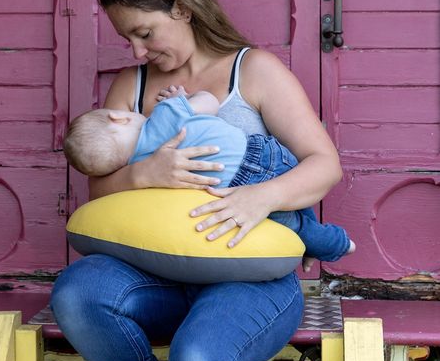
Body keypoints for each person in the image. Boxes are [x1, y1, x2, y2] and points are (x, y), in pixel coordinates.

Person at [51, 0, 345, 361]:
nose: (136, 51)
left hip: (247, 280)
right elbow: (97, 194)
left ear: (182, 8)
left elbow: (324, 165)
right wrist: (144, 174)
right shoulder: (130, 87)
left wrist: (261, 197)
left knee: (196, 359)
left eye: (145, 33)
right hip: (154, 275)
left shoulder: (254, 71)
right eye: (127, 39)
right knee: (76, 295)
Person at [63, 84, 354, 263]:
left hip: (225, 194)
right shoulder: (162, 116)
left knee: (295, 228)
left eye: (145, 33)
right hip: (257, 159)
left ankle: (336, 244)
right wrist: (183, 98)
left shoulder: (136, 163)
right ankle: (329, 241)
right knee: (297, 202)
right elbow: (210, 103)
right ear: (118, 116)